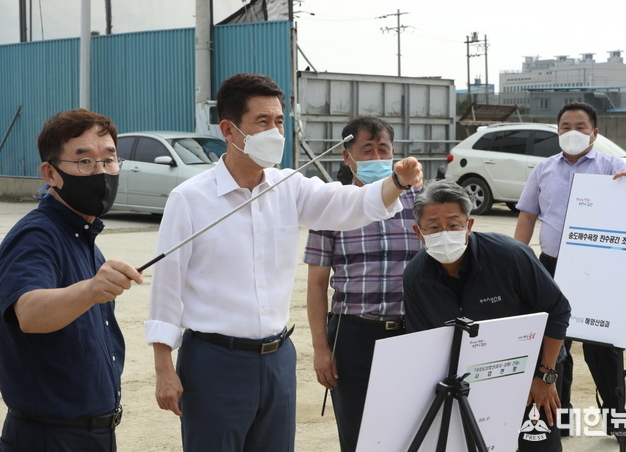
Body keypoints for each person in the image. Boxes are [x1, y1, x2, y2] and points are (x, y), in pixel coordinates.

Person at [145, 73, 423, 452]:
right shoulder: (189, 198)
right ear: (228, 129)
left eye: (279, 121)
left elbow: (351, 204)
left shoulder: (289, 186)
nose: (275, 132)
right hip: (215, 360)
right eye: (262, 122)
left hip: (277, 359)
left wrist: (397, 182)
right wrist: (163, 367)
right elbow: (167, 285)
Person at [0, 109, 144, 451]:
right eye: (85, 162)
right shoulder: (38, 236)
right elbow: (29, 313)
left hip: (91, 434)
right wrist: (90, 290)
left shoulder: (83, 235)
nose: (101, 172)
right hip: (49, 436)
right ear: (50, 173)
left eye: (109, 159)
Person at [403, 179, 571, 452]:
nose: (444, 233)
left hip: (534, 369)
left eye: (453, 225)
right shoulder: (415, 276)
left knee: (537, 443)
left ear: (469, 225)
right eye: (433, 227)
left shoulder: (510, 256)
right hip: (469, 378)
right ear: (418, 232)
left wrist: (545, 376)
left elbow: (558, 309)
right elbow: (422, 340)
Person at [513, 102, 626, 448]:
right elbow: (527, 216)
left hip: (599, 268)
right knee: (554, 347)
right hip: (551, 266)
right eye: (565, 126)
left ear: (594, 133)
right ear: (557, 132)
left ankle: (617, 420)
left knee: (604, 349)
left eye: (580, 126)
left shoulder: (612, 166)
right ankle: (560, 419)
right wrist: (516, 260)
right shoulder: (543, 170)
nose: (572, 132)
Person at [303, 116, 423, 452]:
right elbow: (316, 285)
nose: (376, 157)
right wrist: (321, 349)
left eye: (383, 149)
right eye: (366, 150)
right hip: (352, 338)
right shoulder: (330, 207)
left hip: (410, 333)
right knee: (358, 435)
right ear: (347, 156)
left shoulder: (419, 202)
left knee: (412, 431)